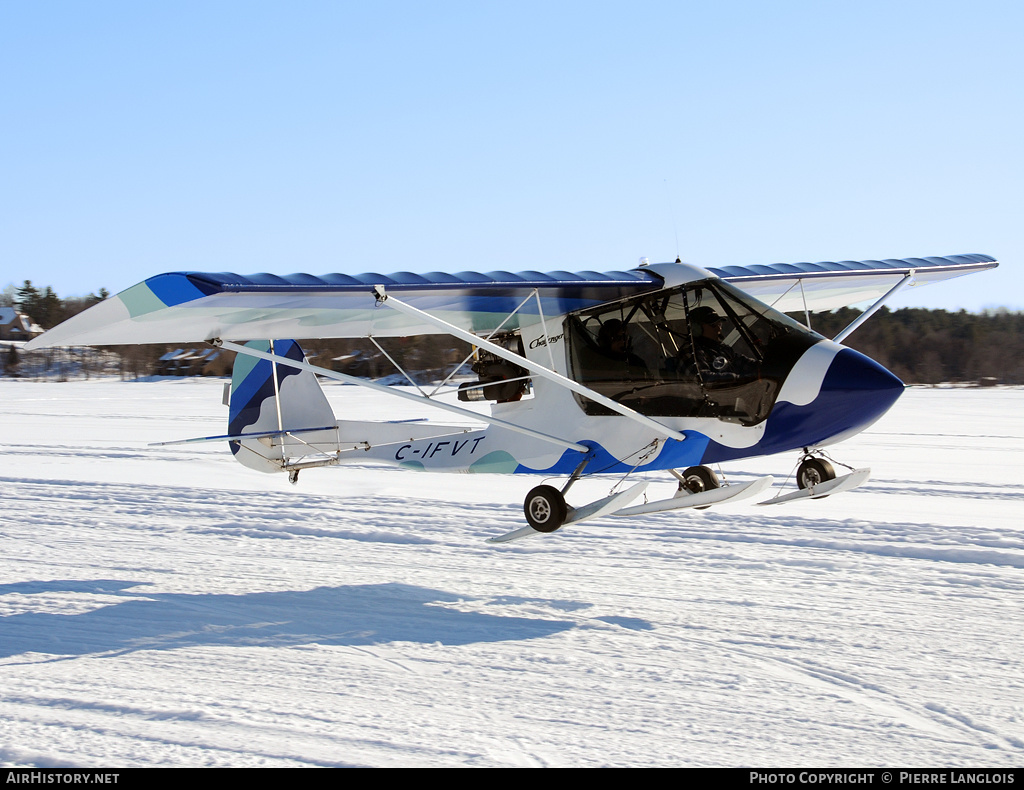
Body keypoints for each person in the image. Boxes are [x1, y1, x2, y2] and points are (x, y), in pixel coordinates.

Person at [682, 306, 759, 383]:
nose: (718, 329)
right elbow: (703, 379)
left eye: (719, 324)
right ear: (696, 328)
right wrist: (739, 378)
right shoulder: (691, 350)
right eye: (713, 325)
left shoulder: (723, 349)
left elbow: (743, 363)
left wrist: (763, 366)